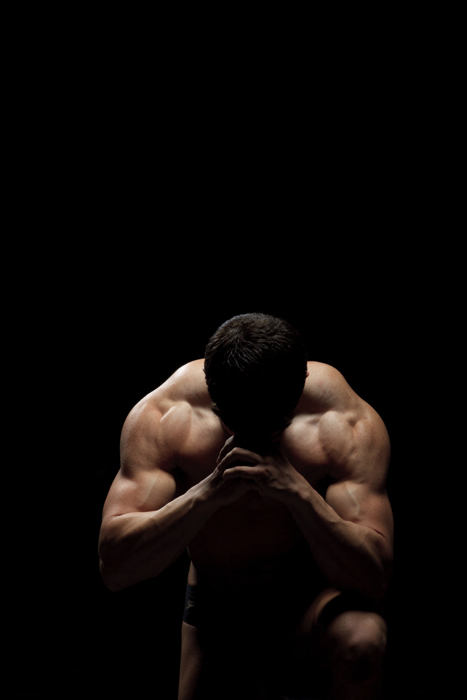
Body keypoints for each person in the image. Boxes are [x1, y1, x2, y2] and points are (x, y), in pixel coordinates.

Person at [98, 313, 394, 700]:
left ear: (302, 380)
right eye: (234, 424)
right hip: (217, 607)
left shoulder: (343, 422)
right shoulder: (166, 415)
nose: (253, 440)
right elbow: (115, 569)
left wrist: (299, 493)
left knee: (362, 640)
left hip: (309, 604)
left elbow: (373, 580)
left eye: (273, 427)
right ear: (211, 387)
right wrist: (207, 493)